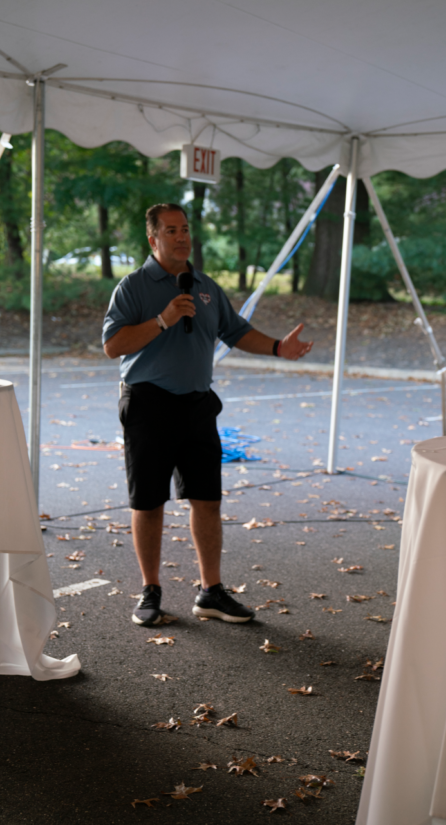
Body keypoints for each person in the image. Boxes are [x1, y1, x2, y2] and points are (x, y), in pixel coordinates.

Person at [102, 202, 313, 627]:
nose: (182, 237)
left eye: (185, 229)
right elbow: (113, 345)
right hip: (149, 405)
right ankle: (151, 590)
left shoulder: (205, 286)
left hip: (197, 407)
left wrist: (277, 347)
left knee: (207, 501)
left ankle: (211, 592)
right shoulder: (134, 286)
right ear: (153, 239)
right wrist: (162, 319)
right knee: (148, 502)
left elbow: (235, 332)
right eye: (171, 230)